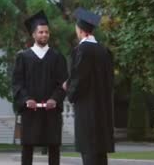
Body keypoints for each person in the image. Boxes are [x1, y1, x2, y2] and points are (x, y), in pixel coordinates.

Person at [12, 10, 68, 165]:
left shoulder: (57, 57)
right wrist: (26, 99)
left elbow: (63, 83)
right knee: (27, 148)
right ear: (33, 35)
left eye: (46, 32)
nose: (44, 35)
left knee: (54, 147)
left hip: (51, 112)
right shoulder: (23, 57)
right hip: (31, 111)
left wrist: (55, 99)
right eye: (41, 32)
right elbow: (17, 83)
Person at [64, 8, 115, 165]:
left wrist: (69, 89)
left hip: (87, 109)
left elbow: (79, 78)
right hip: (103, 110)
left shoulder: (81, 50)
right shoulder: (104, 51)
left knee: (89, 151)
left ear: (81, 31)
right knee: (100, 153)